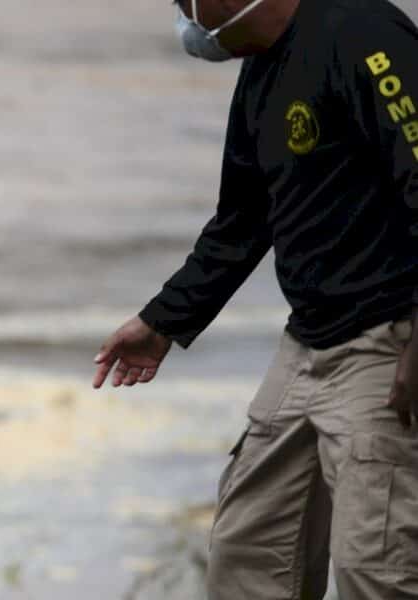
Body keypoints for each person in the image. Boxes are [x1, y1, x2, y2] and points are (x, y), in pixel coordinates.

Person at [92, 0, 418, 598]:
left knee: (379, 570)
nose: (182, 17)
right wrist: (162, 321)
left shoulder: (361, 31)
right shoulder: (262, 72)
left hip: (388, 337)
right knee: (248, 554)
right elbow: (243, 219)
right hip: (309, 343)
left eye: (181, 2)